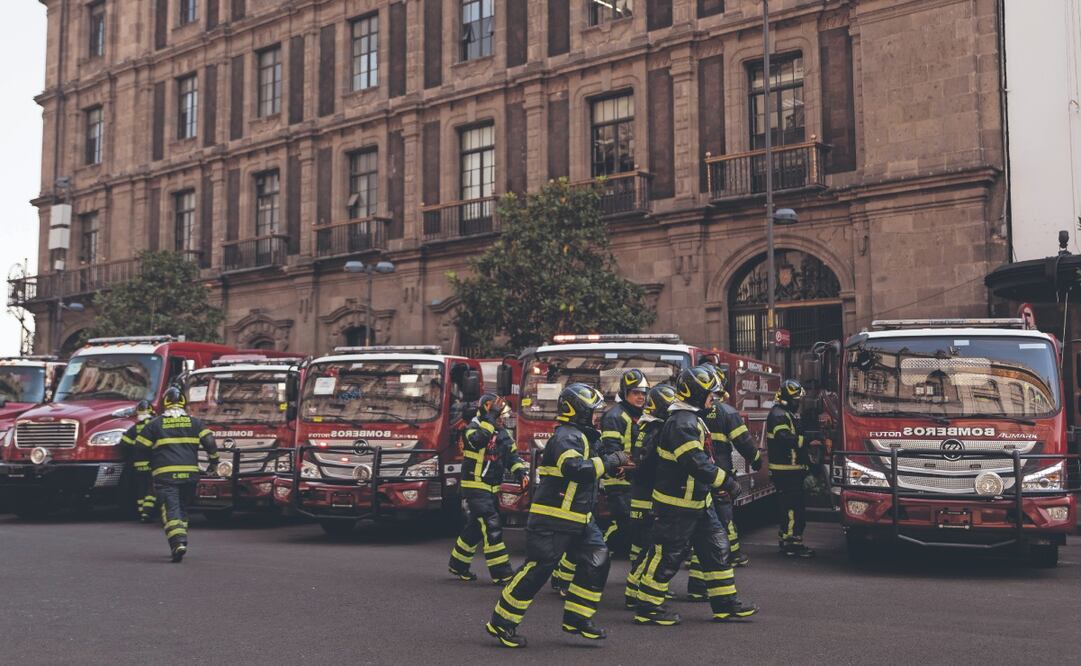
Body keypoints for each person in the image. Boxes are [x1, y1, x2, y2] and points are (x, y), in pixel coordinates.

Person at [485, 383, 630, 649]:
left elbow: (592, 468)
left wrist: (615, 468)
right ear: (579, 411)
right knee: (537, 571)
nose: (596, 417)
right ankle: (502, 622)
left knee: (597, 559)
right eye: (593, 412)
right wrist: (611, 462)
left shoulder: (583, 436)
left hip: (579, 517)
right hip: (553, 518)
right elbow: (575, 468)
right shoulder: (567, 436)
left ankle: (578, 618)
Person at [632, 366, 758, 626]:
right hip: (677, 505)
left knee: (716, 549)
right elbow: (696, 462)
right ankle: (648, 607)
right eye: (710, 393)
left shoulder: (691, 418)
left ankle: (725, 605)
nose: (714, 398)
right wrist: (727, 481)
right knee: (668, 555)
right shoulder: (682, 423)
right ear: (698, 394)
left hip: (698, 502)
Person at [552, 369, 649, 594]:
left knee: (631, 530)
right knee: (616, 528)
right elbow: (611, 450)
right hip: (618, 481)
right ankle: (563, 577)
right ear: (625, 392)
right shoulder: (616, 416)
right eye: (636, 392)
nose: (641, 397)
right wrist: (624, 467)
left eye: (643, 393)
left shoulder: (638, 415)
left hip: (632, 481)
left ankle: (563, 575)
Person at [135, 386, 220, 563]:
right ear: (183, 402)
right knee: (182, 508)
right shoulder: (195, 423)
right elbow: (210, 441)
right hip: (190, 476)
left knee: (171, 509)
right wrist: (214, 461)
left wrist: (143, 468)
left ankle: (178, 542)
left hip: (166, 476)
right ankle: (180, 539)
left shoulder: (154, 425)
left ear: (165, 403)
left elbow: (140, 447)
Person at [449, 393, 527, 584]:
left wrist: (521, 474)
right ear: (488, 411)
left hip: (491, 489)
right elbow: (480, 439)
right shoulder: (471, 429)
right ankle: (502, 573)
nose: (502, 419)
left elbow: (512, 457)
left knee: (475, 528)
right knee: (492, 526)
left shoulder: (503, 433)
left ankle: (457, 565)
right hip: (475, 487)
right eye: (499, 415)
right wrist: (490, 417)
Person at [623, 383, 677, 609]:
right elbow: (647, 465)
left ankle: (637, 588)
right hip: (646, 497)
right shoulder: (655, 430)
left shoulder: (647, 426)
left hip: (642, 494)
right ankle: (634, 589)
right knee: (649, 546)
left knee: (648, 546)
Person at [766, 379, 815, 558]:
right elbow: (785, 439)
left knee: (794, 506)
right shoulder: (779, 415)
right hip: (786, 471)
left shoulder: (786, 413)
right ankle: (791, 543)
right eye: (796, 400)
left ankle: (791, 540)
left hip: (791, 470)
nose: (798, 403)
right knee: (792, 508)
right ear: (787, 398)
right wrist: (809, 441)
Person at [119, 400, 157, 522]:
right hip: (152, 464)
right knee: (151, 489)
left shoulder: (134, 428)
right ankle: (147, 513)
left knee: (141, 490)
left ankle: (141, 512)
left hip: (138, 465)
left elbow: (124, 444)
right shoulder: (154, 426)